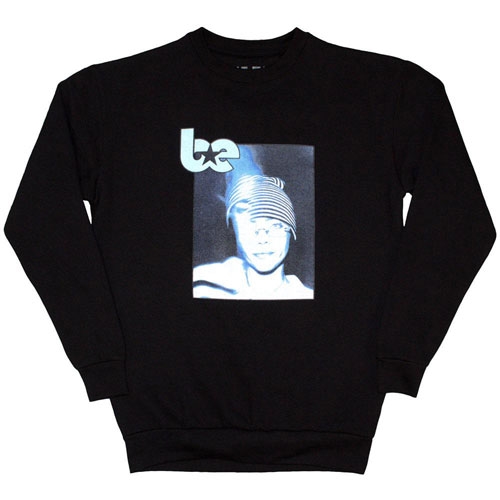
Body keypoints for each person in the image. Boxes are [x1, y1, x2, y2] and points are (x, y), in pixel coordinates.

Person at [193, 146, 313, 300]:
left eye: (275, 223)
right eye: (245, 211)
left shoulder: (304, 295)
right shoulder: (204, 284)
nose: (262, 239)